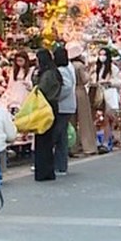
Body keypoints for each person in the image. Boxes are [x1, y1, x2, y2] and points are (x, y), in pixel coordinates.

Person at [32, 48, 62, 181]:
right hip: (52, 106)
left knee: (42, 139)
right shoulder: (54, 72)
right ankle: (48, 170)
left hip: (45, 106)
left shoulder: (47, 74)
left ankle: (43, 171)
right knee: (48, 140)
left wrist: (34, 77)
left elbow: (40, 89)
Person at [89, 47, 121, 149]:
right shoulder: (95, 68)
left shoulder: (113, 68)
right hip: (97, 94)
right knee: (95, 118)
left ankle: (106, 141)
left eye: (104, 55)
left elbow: (119, 82)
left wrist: (109, 82)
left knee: (107, 118)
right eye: (100, 54)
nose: (102, 57)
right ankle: (96, 141)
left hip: (108, 94)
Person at [52, 45, 76, 174]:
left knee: (59, 136)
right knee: (62, 136)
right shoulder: (68, 68)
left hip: (63, 107)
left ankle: (60, 165)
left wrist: (56, 97)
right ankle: (61, 165)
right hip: (67, 106)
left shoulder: (62, 70)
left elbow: (66, 87)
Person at [70, 47, 96, 158]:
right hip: (80, 91)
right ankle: (88, 146)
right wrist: (90, 71)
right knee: (85, 120)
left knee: (72, 121)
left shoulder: (69, 66)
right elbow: (85, 79)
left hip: (71, 93)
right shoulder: (80, 66)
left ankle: (73, 146)